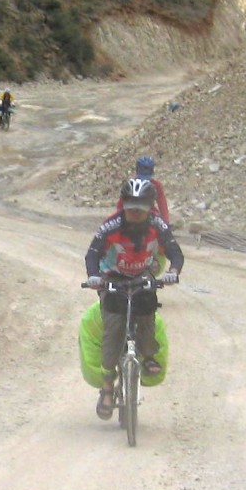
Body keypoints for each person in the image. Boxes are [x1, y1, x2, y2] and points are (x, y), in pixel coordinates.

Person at [84, 177, 184, 419]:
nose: (135, 213)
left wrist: (172, 272)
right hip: (113, 278)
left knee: (147, 309)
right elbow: (92, 254)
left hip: (142, 277)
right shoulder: (111, 226)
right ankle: (107, 387)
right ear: (123, 205)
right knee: (114, 327)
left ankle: (148, 354)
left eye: (141, 208)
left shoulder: (158, 225)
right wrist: (94, 277)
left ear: (150, 206)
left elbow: (175, 253)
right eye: (131, 208)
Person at [113, 155, 170, 224]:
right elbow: (121, 206)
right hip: (131, 216)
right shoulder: (130, 186)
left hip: (149, 216)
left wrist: (166, 222)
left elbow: (162, 204)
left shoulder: (156, 185)